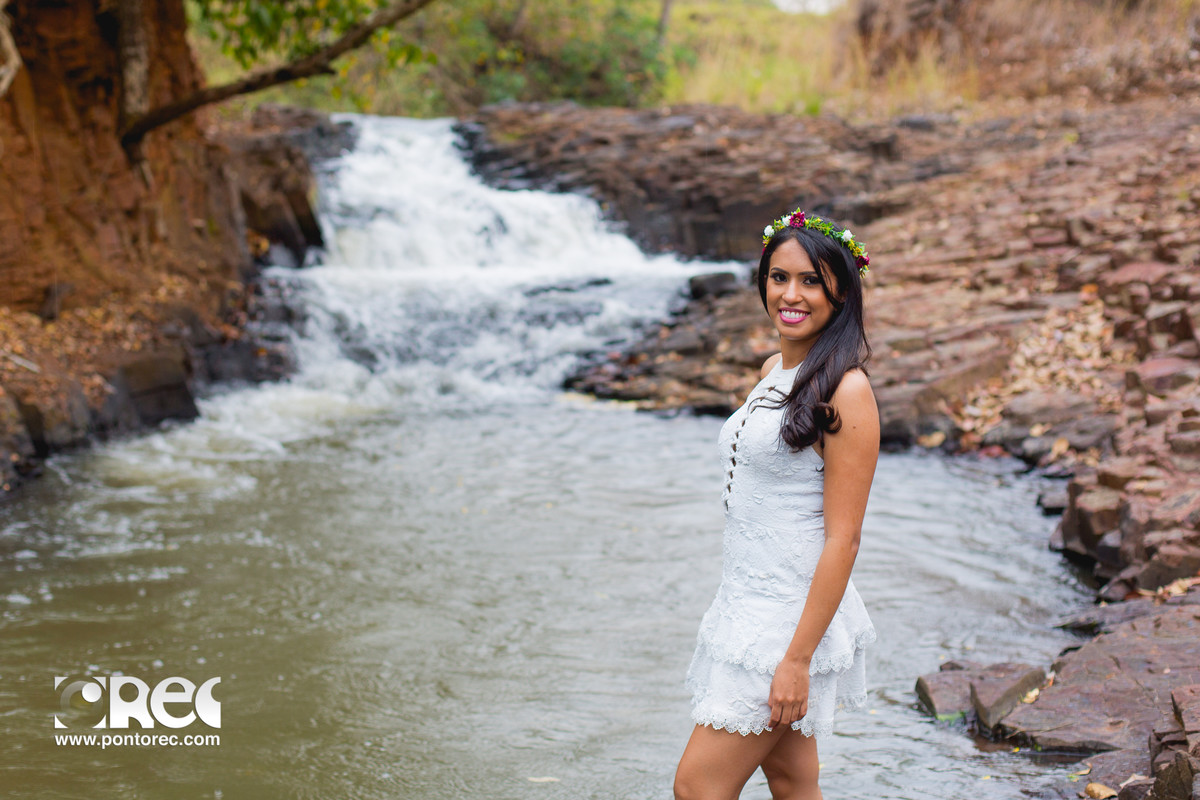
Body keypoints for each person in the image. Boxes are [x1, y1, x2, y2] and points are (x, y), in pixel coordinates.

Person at [674, 210, 879, 800]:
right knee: (792, 783)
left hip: (785, 625)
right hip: (745, 603)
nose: (791, 295)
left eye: (811, 281)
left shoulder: (847, 390)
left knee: (696, 788)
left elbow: (844, 538)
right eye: (779, 277)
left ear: (842, 292)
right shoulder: (773, 370)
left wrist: (797, 660)